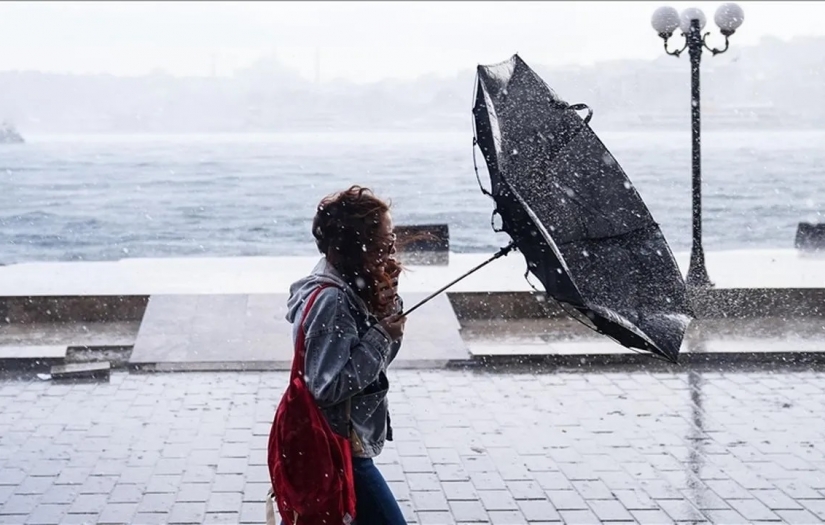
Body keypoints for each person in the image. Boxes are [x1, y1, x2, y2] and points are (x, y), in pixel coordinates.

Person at [284, 185, 408, 525]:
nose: (392, 248)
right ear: (358, 245)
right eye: (385, 240)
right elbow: (328, 385)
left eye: (392, 237)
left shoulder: (349, 287)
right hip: (338, 446)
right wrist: (382, 335)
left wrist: (387, 305)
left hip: (337, 444)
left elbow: (377, 365)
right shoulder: (333, 300)